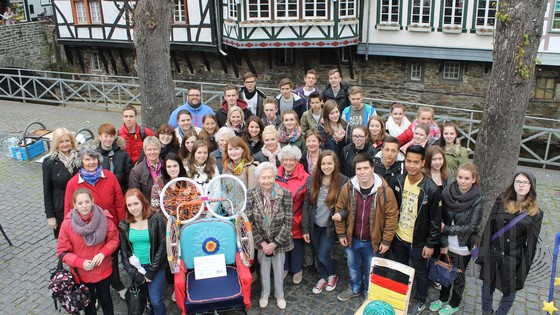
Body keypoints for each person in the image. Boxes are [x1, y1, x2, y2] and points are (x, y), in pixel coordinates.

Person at [334, 153, 399, 301]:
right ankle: (355, 288)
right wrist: (341, 234)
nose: (362, 172)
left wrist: (386, 241)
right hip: (352, 239)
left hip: (373, 241)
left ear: (372, 169)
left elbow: (392, 217)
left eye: (365, 168)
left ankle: (370, 293)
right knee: (353, 267)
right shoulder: (348, 187)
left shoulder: (385, 191)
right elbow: (339, 209)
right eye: (358, 169)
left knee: (372, 270)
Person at [64, 146, 127, 299]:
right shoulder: (73, 183)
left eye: (93, 159)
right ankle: (93, 295)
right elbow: (68, 208)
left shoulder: (110, 177)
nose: (91, 162)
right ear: (82, 162)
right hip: (85, 232)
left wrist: (121, 225)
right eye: (87, 159)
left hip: (109, 229)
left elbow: (119, 203)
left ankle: (116, 283)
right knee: (89, 262)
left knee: (110, 258)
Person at [479, 170, 543, 315]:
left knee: (509, 291)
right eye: (518, 181)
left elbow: (531, 246)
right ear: (513, 183)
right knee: (487, 286)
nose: (521, 185)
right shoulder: (501, 200)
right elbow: (490, 226)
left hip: (514, 258)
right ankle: (486, 312)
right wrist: (483, 253)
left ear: (531, 186)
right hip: (493, 253)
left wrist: (522, 272)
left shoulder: (536, 213)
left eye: (525, 182)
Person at [391, 145, 442, 314]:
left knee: (421, 273)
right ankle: (401, 295)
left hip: (419, 242)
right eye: (408, 161)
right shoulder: (398, 181)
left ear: (423, 163)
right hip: (399, 237)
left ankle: (420, 299)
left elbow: (435, 220)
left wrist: (430, 244)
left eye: (415, 162)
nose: (411, 165)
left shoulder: (431, 189)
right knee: (401, 269)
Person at [428, 162, 483, 315]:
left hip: (462, 245)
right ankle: (443, 298)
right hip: (446, 241)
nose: (462, 181)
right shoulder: (447, 193)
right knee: (445, 270)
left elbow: (472, 227)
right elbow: (440, 218)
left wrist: (447, 229)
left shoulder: (477, 200)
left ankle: (455, 302)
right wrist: (443, 241)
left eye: (466, 178)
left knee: (458, 274)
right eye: (460, 177)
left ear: (473, 179)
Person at [57, 188, 119, 315]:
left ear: (92, 201)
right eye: (80, 203)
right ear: (74, 205)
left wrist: (103, 252)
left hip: (103, 269)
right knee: (89, 305)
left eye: (87, 202)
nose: (84, 206)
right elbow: (62, 252)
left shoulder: (104, 218)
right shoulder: (67, 224)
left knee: (106, 299)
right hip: (82, 273)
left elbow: (114, 238)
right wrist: (80, 262)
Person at [246, 162, 294, 310]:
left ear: (275, 177)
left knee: (279, 271)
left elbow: (288, 221)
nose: (266, 181)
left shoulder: (285, 194)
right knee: (264, 270)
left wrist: (274, 243)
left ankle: (279, 295)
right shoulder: (251, 194)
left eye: (270, 177)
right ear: (258, 179)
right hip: (262, 242)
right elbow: (249, 222)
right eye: (263, 178)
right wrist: (263, 243)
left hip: (279, 241)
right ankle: (265, 293)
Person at [302, 151, 348, 294]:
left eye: (330, 163)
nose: (326, 166)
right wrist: (304, 229)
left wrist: (341, 214)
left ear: (335, 164)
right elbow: (306, 205)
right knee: (317, 252)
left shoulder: (343, 181)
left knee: (323, 255)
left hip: (329, 227)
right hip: (314, 225)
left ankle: (332, 275)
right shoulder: (312, 180)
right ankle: (323, 277)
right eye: (323, 163)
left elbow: (349, 207)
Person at [120, 189, 167, 315]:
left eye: (136, 203)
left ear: (142, 202)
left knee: (156, 300)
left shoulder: (156, 219)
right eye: (129, 205)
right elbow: (124, 253)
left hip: (155, 267)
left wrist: (151, 271)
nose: (133, 208)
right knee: (148, 300)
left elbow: (163, 246)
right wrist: (135, 273)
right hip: (138, 268)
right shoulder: (124, 224)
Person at [275, 145, 310, 284]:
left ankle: (297, 269)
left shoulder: (305, 178)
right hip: (280, 219)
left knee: (297, 245)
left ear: (297, 161)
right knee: (282, 244)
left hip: (297, 218)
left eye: (292, 160)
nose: (288, 163)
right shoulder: (275, 175)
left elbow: (307, 202)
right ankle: (285, 267)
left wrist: (299, 219)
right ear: (281, 161)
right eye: (285, 160)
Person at [43, 127, 79, 238]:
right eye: (61, 142)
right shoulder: (50, 163)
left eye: (67, 141)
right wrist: (50, 216)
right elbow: (47, 191)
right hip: (61, 210)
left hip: (80, 207)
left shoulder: (80, 158)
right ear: (56, 143)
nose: (65, 144)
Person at [95, 123, 133, 194]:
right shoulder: (94, 156)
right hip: (101, 193)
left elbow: (129, 176)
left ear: (115, 137)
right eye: (106, 136)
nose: (108, 139)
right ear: (100, 137)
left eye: (111, 136)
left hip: (121, 192)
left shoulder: (123, 155)